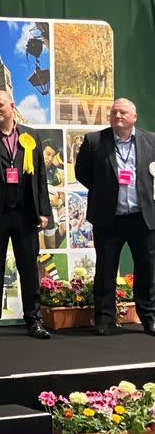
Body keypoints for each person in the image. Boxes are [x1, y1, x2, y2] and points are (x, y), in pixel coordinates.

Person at [0, 90, 52, 340]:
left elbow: (41, 178)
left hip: (26, 215)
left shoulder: (31, 136)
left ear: (11, 106)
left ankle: (34, 321)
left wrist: (44, 211)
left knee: (29, 269)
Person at [74, 98, 155, 336]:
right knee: (106, 270)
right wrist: (105, 191)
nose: (118, 115)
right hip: (109, 219)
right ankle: (104, 319)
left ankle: (149, 317)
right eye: (114, 112)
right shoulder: (94, 141)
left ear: (134, 117)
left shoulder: (151, 140)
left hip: (143, 218)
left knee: (147, 269)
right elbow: (82, 173)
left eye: (123, 112)